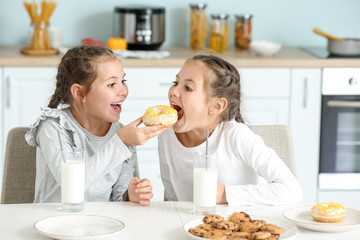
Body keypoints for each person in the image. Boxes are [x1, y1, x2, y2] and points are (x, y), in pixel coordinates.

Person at [25, 45, 166, 205]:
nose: (124, 91)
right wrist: (120, 142)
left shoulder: (121, 133)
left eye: (123, 81)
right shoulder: (54, 128)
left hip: (101, 224)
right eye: (112, 84)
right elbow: (71, 185)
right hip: (53, 221)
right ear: (79, 93)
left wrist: (130, 195)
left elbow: (118, 199)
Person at [158, 54, 303, 206]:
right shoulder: (166, 136)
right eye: (176, 82)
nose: (173, 91)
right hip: (193, 225)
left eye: (188, 88)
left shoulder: (237, 136)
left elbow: (292, 190)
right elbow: (172, 197)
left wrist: (224, 195)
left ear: (217, 106)